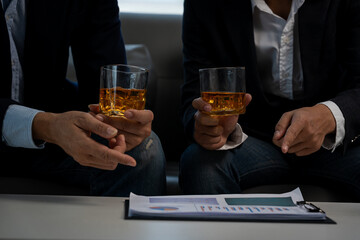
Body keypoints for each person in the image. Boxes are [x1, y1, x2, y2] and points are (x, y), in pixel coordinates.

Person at [180, 0, 360, 199]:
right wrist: (207, 127)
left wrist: (329, 115)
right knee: (199, 164)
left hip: (337, 145)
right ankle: (221, 232)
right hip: (251, 140)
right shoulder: (204, 5)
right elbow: (194, 92)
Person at [0, 0, 166, 196]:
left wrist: (122, 125)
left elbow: (105, 87)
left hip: (48, 140)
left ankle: (115, 228)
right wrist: (45, 125)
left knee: (143, 149)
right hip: (42, 129)